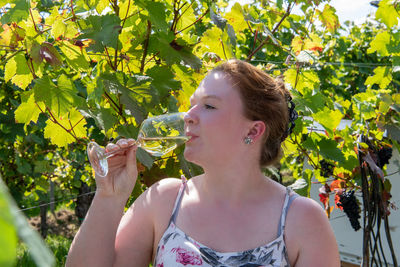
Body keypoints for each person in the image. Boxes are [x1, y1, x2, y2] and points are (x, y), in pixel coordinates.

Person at [66, 59, 340, 267]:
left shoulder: (302, 219)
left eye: (209, 106)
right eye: (192, 104)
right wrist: (109, 196)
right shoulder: (164, 200)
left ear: (253, 131)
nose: (188, 116)